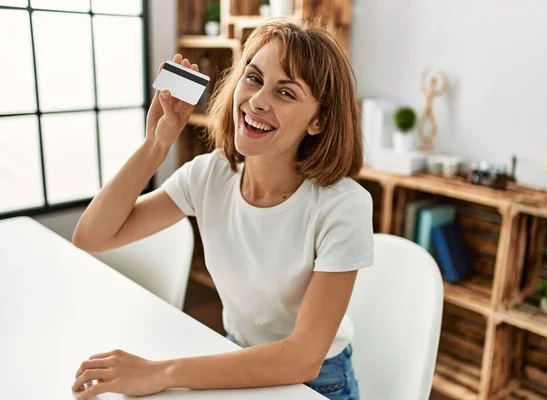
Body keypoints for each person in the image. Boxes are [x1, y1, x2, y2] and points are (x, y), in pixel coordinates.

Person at [71, 19, 373, 400]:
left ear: (319, 120)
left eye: (286, 93)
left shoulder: (343, 206)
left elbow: (302, 358)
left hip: (316, 383)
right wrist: (155, 146)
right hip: (236, 355)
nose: (258, 100)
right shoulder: (210, 175)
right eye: (253, 78)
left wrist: (161, 373)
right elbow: (92, 236)